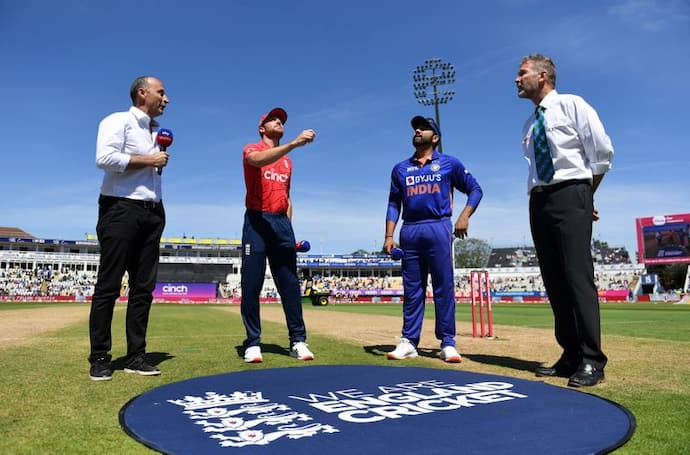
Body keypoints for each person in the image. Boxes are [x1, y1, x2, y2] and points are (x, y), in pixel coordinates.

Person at [515, 54, 614, 387]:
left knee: (576, 276)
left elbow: (601, 154)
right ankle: (570, 354)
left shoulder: (572, 105)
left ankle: (592, 360)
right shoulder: (529, 124)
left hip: (572, 191)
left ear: (543, 76)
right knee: (554, 281)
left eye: (522, 73)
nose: (517, 79)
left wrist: (587, 197)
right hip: (539, 200)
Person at [89, 76, 170, 381]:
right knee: (109, 286)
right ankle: (99, 358)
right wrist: (149, 159)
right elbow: (104, 158)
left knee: (143, 289)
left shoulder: (156, 132)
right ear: (142, 93)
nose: (166, 98)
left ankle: (136, 355)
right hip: (120, 208)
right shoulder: (118, 120)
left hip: (152, 211)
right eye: (161, 92)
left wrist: (154, 161)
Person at [384, 116, 482, 363]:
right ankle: (409, 341)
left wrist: (464, 217)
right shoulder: (401, 169)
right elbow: (394, 203)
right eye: (416, 128)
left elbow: (475, 190)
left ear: (435, 137)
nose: (418, 130)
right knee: (412, 290)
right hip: (411, 230)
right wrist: (388, 235)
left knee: (443, 287)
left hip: (439, 226)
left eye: (424, 128)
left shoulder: (449, 163)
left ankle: (448, 342)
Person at [240, 107, 316, 363]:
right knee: (252, 284)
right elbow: (258, 161)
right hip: (256, 219)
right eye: (274, 119)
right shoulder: (251, 148)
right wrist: (294, 143)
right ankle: (253, 343)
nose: (279, 122)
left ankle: (298, 340)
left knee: (290, 285)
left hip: (281, 223)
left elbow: (287, 196)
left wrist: (289, 229)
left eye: (282, 120)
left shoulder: (287, 162)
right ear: (262, 128)